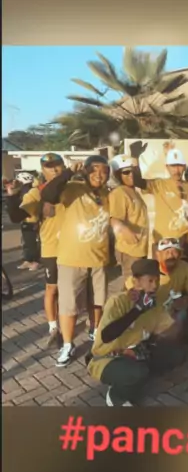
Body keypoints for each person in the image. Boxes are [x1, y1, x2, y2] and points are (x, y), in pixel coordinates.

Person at [40, 155, 123, 366]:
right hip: (72, 259)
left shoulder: (107, 194)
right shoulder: (73, 188)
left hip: (99, 259)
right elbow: (48, 194)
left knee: (97, 302)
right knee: (69, 306)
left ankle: (95, 334)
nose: (99, 174)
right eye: (94, 169)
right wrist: (68, 172)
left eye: (104, 170)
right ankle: (68, 345)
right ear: (85, 171)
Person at [88, 258, 180, 406]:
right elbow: (107, 336)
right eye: (150, 281)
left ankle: (135, 378)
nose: (155, 286)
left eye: (157, 280)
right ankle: (116, 396)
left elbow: (166, 332)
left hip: (133, 353)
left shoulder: (153, 303)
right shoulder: (118, 301)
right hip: (106, 358)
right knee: (137, 372)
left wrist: (176, 310)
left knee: (175, 354)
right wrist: (137, 310)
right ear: (136, 281)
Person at [7, 153, 67, 345]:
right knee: (52, 288)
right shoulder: (37, 192)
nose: (55, 170)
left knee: (73, 289)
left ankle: (71, 321)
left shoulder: (73, 187)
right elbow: (17, 216)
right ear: (43, 170)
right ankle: (53, 327)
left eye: (57, 165)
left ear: (63, 166)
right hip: (51, 248)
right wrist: (12, 197)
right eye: (49, 167)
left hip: (74, 247)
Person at [131, 141, 188, 250]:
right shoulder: (159, 184)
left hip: (184, 241)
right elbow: (138, 181)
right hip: (162, 241)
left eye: (179, 166)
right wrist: (135, 158)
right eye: (173, 166)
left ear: (185, 167)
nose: (176, 170)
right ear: (167, 167)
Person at [108, 155, 149, 280]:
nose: (131, 175)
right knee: (132, 285)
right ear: (117, 175)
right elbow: (114, 218)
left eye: (133, 171)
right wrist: (126, 231)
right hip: (130, 250)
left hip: (140, 248)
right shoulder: (119, 193)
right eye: (126, 172)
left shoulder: (134, 191)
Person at [5, 171, 41, 271]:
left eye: (18, 182)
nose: (15, 185)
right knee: (26, 243)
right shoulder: (23, 192)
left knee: (33, 243)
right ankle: (28, 260)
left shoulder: (32, 192)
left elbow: (18, 214)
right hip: (26, 221)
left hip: (33, 221)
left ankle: (36, 261)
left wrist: (11, 197)